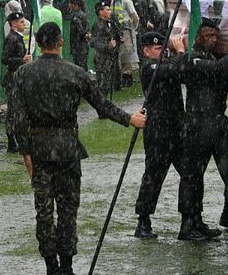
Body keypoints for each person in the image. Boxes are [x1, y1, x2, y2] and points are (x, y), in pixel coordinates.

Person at [11, 23, 142, 275]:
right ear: (60, 42)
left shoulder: (24, 74)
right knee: (68, 209)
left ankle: (51, 265)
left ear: (38, 44)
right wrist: (129, 119)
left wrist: (26, 153)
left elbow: (18, 118)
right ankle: (67, 265)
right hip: (67, 148)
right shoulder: (75, 73)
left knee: (44, 209)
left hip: (39, 148)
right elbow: (103, 106)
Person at [177, 19, 228, 238]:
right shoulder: (192, 57)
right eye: (208, 36)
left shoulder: (212, 58)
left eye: (216, 36)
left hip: (217, 121)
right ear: (197, 37)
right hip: (198, 123)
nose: (213, 40)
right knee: (192, 176)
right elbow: (217, 70)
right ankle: (189, 223)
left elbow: (226, 82)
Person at [132, 33, 185, 240]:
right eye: (157, 49)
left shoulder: (167, 64)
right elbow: (172, 70)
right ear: (146, 51)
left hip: (177, 127)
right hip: (158, 131)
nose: (162, 51)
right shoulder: (149, 68)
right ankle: (143, 220)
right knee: (154, 176)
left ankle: (191, 219)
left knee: (190, 174)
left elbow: (181, 71)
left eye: (164, 48)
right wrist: (180, 52)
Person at [2, 12, 32, 153]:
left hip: (21, 76)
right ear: (13, 24)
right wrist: (21, 60)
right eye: (20, 22)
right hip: (14, 77)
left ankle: (19, 137)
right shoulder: (12, 39)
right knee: (13, 110)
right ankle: (11, 139)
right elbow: (5, 59)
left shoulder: (19, 38)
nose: (24, 24)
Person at [89, 0, 121, 96]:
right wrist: (108, 46)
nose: (110, 11)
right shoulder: (98, 26)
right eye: (107, 10)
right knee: (103, 86)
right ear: (101, 12)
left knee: (109, 84)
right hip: (102, 59)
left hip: (110, 58)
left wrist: (118, 39)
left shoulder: (109, 23)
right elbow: (95, 43)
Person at [65, 0, 89, 70]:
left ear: (75, 5)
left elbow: (81, 31)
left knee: (79, 67)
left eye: (70, 3)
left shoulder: (76, 17)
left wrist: (84, 35)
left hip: (79, 47)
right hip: (81, 46)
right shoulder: (83, 14)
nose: (69, 5)